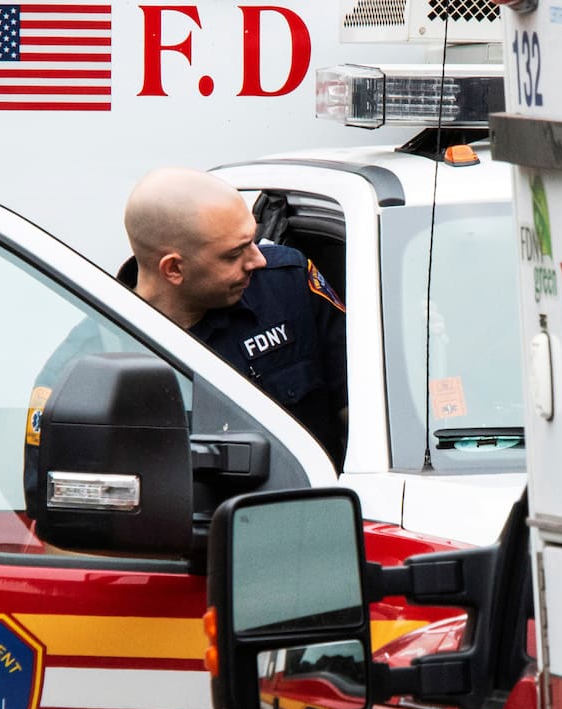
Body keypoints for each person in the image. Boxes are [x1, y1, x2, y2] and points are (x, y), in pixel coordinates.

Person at [23, 169, 347, 513]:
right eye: (234, 253)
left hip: (318, 522)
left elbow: (362, 414)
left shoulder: (287, 286)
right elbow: (59, 508)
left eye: (252, 240)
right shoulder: (83, 369)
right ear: (173, 269)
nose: (259, 259)